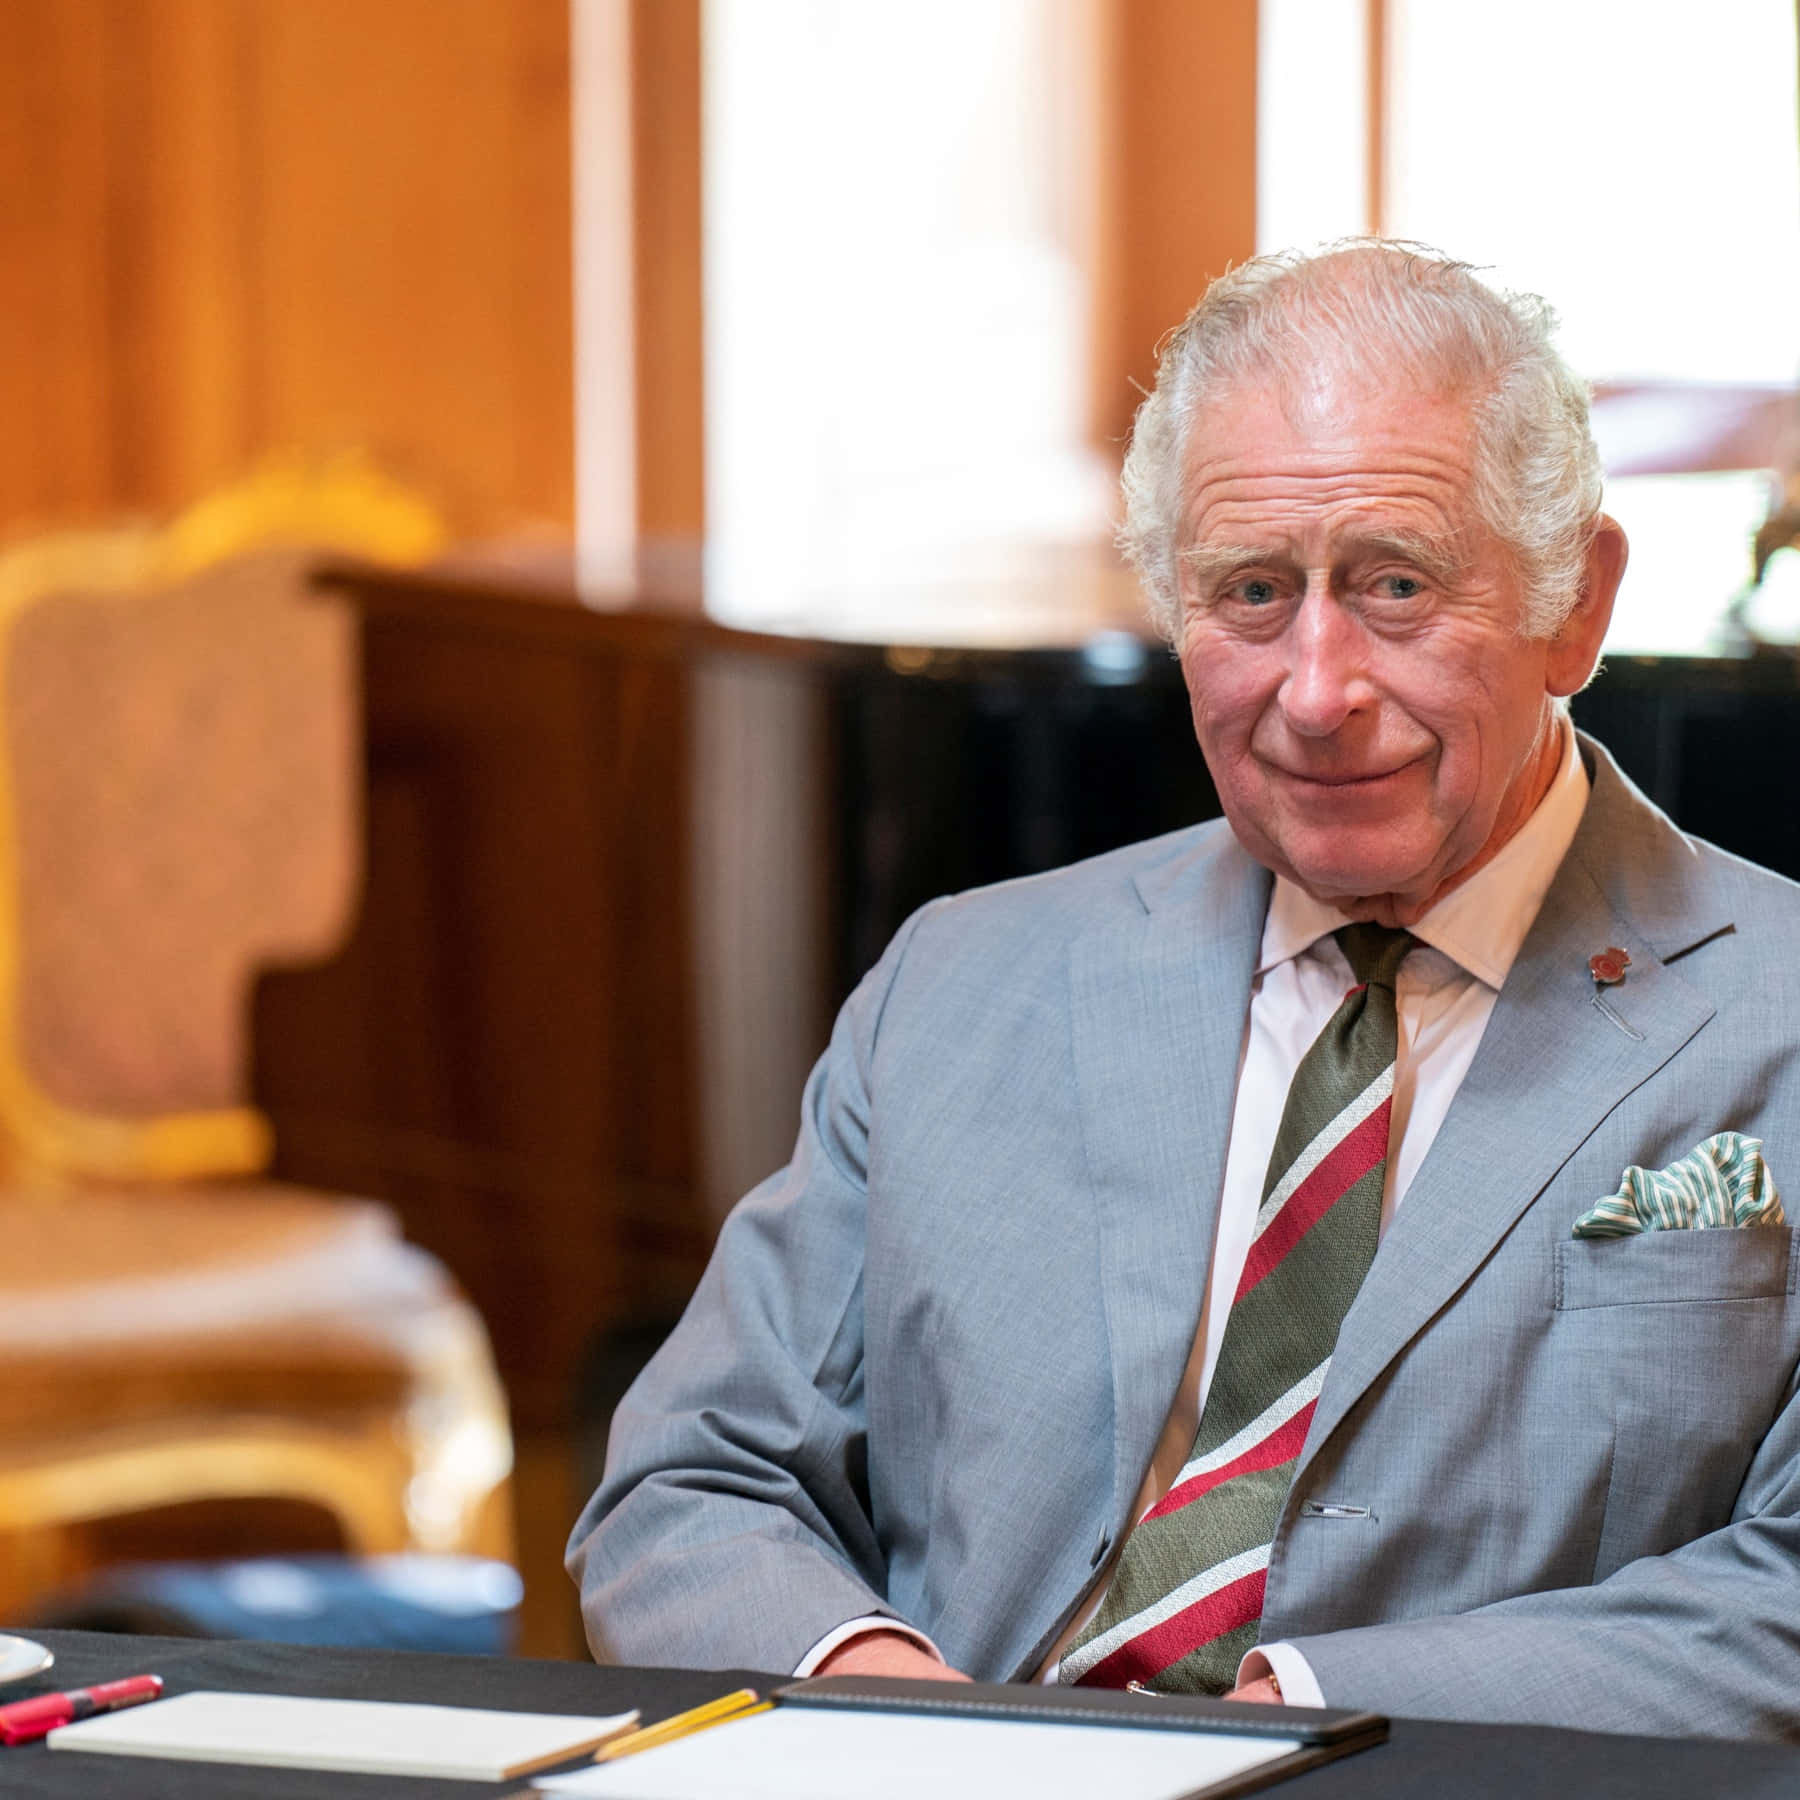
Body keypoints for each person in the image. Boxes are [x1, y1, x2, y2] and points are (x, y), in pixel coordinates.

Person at [567, 242, 1800, 1739]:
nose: (1318, 687)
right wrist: (901, 1723)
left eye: (1397, 587)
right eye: (1253, 594)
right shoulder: (964, 982)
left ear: (1576, 604)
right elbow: (691, 1484)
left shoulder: (1771, 1016)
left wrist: (1287, 1716)